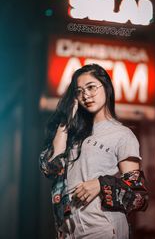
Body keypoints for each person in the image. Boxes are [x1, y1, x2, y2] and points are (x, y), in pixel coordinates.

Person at [39, 63, 148, 239]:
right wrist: (66, 120)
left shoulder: (122, 135)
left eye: (91, 87)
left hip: (103, 229)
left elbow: (137, 194)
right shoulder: (73, 134)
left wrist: (101, 183)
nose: (86, 95)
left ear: (106, 86)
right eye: (79, 91)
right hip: (70, 231)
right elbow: (50, 167)